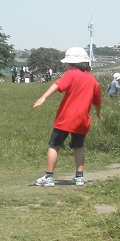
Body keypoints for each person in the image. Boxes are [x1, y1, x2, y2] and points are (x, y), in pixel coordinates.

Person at [32, 47, 102, 187]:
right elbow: (97, 101)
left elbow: (57, 85)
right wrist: (98, 113)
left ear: (72, 63)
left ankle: (49, 177)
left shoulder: (70, 74)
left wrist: (43, 97)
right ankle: (79, 177)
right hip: (82, 119)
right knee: (78, 147)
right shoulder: (92, 80)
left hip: (65, 117)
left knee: (54, 145)